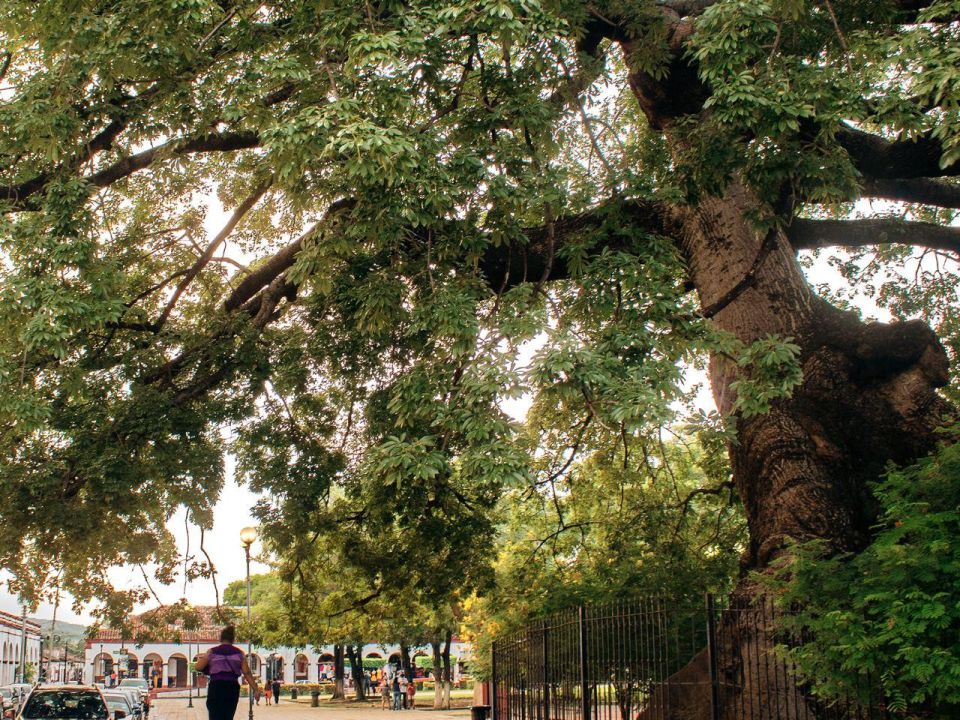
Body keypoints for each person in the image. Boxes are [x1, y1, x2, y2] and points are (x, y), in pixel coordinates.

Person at [195, 625, 260, 720]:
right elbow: (247, 673)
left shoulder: (212, 652)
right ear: (232, 639)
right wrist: (255, 689)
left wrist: (210, 667)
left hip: (216, 687)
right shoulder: (239, 653)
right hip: (232, 688)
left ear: (221, 638)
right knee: (228, 716)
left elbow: (198, 667)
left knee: (215, 716)